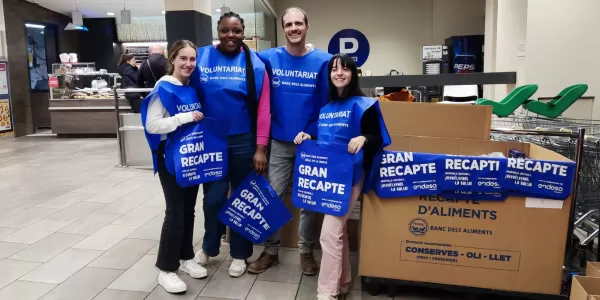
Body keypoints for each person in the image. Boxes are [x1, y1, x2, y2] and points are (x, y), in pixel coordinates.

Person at [294, 53, 390, 300]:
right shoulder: (326, 108)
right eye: (334, 69)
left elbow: (378, 138)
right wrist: (308, 138)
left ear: (353, 74)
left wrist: (364, 138)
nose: (339, 73)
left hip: (352, 176)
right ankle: (344, 281)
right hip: (329, 179)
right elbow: (325, 142)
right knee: (339, 231)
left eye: (344, 69)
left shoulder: (364, 105)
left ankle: (327, 291)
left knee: (329, 232)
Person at [249, 6, 332, 276]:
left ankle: (306, 251)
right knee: (272, 196)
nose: (293, 28)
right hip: (280, 140)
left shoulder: (324, 61)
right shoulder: (269, 58)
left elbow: (333, 103)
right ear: (283, 29)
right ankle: (271, 251)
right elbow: (241, 61)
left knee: (308, 199)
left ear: (307, 27)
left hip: (312, 141)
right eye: (288, 24)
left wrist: (315, 131)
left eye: (299, 23)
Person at [191, 12, 271, 278]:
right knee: (213, 198)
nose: (230, 36)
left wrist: (260, 148)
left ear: (244, 32)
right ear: (218, 31)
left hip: (243, 140)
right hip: (211, 139)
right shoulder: (201, 57)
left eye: (236, 31)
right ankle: (209, 247)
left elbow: (263, 110)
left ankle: (239, 253)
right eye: (225, 30)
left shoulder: (255, 63)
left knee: (242, 197)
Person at [140, 40, 208, 294]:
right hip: (170, 157)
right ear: (173, 59)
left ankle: (185, 256)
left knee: (189, 210)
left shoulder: (190, 87)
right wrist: (183, 118)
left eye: (192, 59)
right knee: (175, 212)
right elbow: (152, 125)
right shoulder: (164, 88)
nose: (188, 64)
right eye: (183, 59)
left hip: (190, 156)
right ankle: (166, 269)